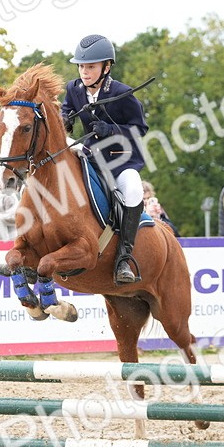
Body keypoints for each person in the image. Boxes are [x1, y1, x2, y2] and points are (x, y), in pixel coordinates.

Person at [60, 34, 149, 283]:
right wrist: (64, 120)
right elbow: (66, 109)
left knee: (133, 190)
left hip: (121, 161)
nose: (84, 72)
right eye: (81, 66)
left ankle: (124, 258)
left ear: (106, 67)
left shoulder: (122, 93)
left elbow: (140, 128)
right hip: (92, 157)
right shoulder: (74, 89)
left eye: (91, 67)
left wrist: (111, 130)